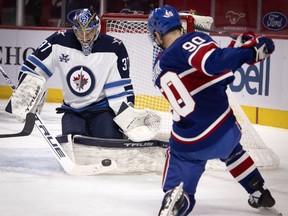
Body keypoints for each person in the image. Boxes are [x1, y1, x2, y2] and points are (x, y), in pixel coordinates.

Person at [147, 5, 276, 216]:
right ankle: (259, 191)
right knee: (234, 152)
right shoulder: (190, 41)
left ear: (157, 34)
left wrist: (237, 48)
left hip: (190, 144)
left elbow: (208, 73)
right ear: (179, 26)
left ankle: (176, 200)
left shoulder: (159, 65)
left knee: (178, 177)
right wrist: (250, 51)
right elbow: (215, 67)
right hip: (226, 132)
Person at [5, 8, 140, 140]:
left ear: (97, 28)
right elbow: (34, 67)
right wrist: (26, 89)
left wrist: (127, 119)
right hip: (73, 112)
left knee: (110, 140)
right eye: (80, 33)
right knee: (74, 142)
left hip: (103, 110)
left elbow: (118, 89)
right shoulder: (59, 41)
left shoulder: (114, 47)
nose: (85, 38)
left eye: (89, 32)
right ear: (74, 30)